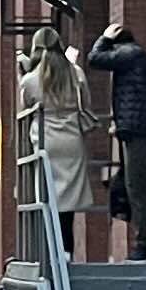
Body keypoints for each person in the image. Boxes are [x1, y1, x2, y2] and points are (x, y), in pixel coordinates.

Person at [84, 21, 146, 260]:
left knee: (136, 189)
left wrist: (105, 37)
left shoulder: (128, 55)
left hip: (139, 134)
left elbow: (94, 59)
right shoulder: (145, 60)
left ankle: (141, 246)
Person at [18, 29, 91, 255]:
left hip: (45, 138)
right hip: (71, 137)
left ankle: (50, 250)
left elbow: (24, 105)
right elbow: (86, 101)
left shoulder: (31, 79)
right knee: (67, 198)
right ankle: (66, 250)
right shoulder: (75, 73)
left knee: (46, 195)